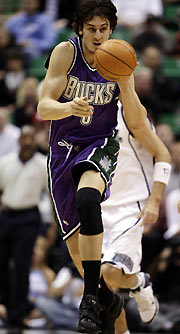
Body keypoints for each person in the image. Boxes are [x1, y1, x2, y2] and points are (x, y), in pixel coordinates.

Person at [37, 0, 171, 333]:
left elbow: (141, 125)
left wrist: (126, 80)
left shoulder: (118, 62)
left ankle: (91, 301)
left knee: (87, 200)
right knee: (86, 264)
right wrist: (69, 106)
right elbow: (43, 107)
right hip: (63, 151)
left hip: (101, 149)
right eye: (91, 29)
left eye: (104, 29)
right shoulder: (65, 54)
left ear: (111, 29)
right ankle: (106, 301)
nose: (98, 36)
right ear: (79, 28)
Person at [101, 101, 171, 333]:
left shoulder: (129, 110)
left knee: (109, 274)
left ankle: (140, 283)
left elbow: (163, 155)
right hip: (95, 208)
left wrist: (155, 201)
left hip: (130, 208)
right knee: (101, 286)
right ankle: (137, 285)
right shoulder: (82, 111)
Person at [0, 125, 48, 327]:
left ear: (34, 142)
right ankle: (5, 305)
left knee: (21, 265)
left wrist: (52, 228)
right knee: (2, 263)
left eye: (31, 139)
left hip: (29, 217)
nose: (28, 143)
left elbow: (52, 196)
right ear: (19, 141)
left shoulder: (42, 164)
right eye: (24, 138)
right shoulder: (5, 162)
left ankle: (19, 312)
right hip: (6, 215)